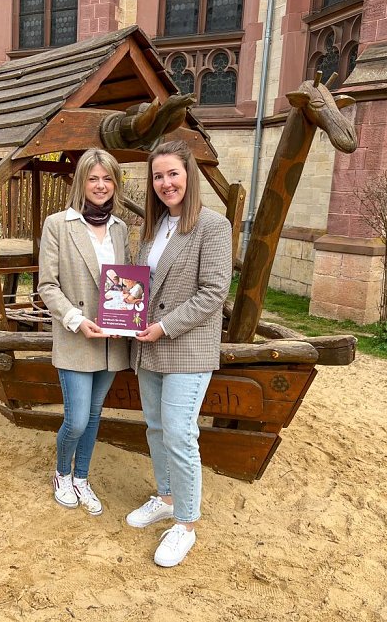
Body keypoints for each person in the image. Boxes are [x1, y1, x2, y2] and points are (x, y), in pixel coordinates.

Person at [127, 140, 233, 567]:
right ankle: (167, 497)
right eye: (158, 176)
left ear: (189, 175)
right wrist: (127, 313)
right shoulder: (153, 229)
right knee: (155, 427)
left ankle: (185, 524)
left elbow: (213, 292)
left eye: (172, 173)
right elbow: (139, 285)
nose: (165, 182)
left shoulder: (213, 225)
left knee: (179, 430)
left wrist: (165, 326)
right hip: (147, 345)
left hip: (185, 345)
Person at [38, 149, 131, 516]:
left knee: (94, 416)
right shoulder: (58, 224)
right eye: (93, 178)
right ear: (81, 182)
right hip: (77, 335)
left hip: (111, 340)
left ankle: (81, 477)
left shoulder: (121, 229)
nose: (101, 185)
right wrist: (75, 319)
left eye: (107, 179)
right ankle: (62, 473)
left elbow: (124, 283)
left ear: (115, 184)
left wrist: (129, 313)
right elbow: (47, 285)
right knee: (76, 419)